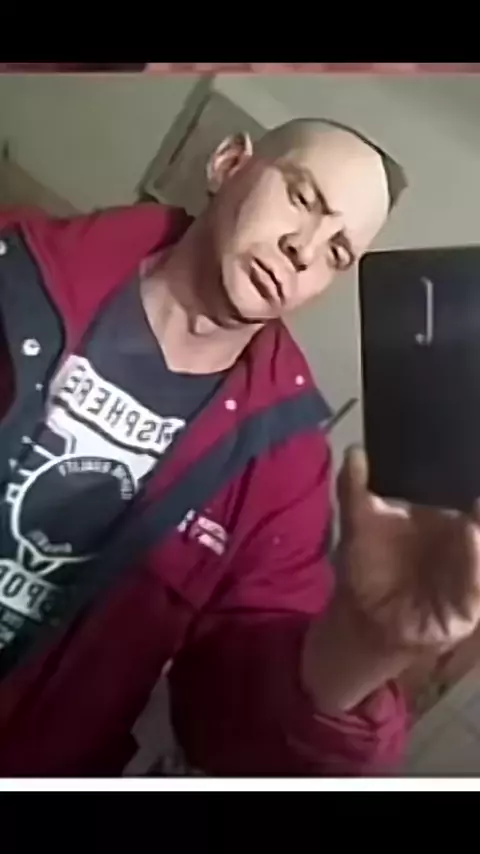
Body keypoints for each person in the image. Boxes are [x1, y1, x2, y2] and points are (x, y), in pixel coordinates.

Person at [0, 117, 479, 777]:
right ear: (228, 163)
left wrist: (365, 643)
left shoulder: (285, 467)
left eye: (338, 253)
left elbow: (232, 731)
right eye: (303, 197)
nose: (304, 250)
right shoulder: (17, 265)